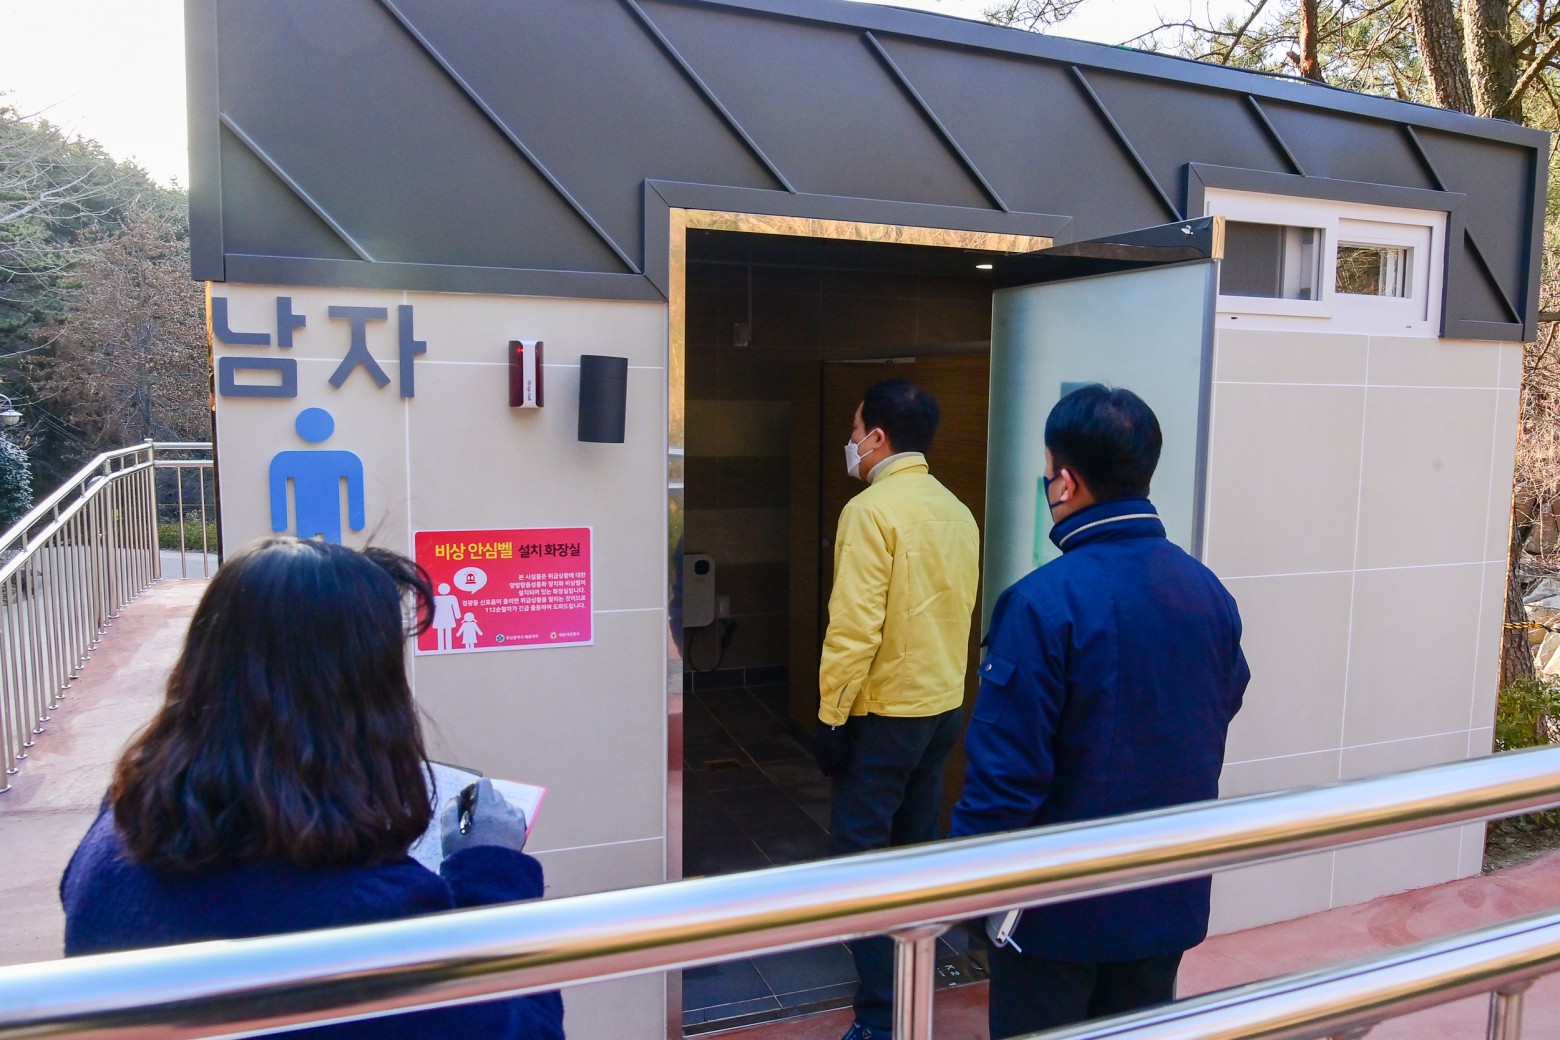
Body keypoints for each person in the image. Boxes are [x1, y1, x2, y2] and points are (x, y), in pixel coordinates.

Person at [59, 536, 565, 1040]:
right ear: (364, 698)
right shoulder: (365, 915)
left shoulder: (119, 826)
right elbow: (525, 1033)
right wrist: (493, 872)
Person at [950, 384, 1249, 1038]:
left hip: (1056, 915)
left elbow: (1005, 777)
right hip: (1166, 895)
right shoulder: (1206, 592)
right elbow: (1220, 705)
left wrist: (966, 889)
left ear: (1066, 480)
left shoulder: (1041, 603)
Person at [814, 378, 980, 1040]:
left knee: (861, 864)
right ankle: (912, 1000)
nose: (851, 442)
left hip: (882, 716)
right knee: (915, 857)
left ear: (878, 437)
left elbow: (854, 627)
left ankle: (882, 1020)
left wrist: (831, 716)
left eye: (856, 431)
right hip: (941, 710)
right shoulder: (956, 510)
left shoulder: (870, 511)